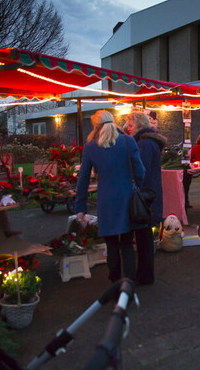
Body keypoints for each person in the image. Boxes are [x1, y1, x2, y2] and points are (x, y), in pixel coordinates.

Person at [75, 110, 145, 282]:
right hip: (127, 198)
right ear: (113, 122)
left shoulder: (91, 147)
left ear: (95, 126)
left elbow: (83, 179)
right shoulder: (128, 141)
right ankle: (129, 282)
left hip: (106, 200)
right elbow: (140, 171)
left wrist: (80, 207)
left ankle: (114, 280)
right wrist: (137, 187)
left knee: (112, 244)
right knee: (127, 243)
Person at [126, 112, 166, 285]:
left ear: (140, 126)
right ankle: (145, 274)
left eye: (130, 125)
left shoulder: (143, 144)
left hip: (145, 196)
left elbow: (142, 171)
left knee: (144, 238)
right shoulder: (148, 142)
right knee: (145, 237)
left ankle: (144, 275)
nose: (128, 128)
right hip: (150, 195)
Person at [183, 133, 200, 209]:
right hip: (189, 169)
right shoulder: (197, 147)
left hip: (192, 168)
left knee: (187, 186)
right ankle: (185, 203)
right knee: (185, 186)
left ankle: (186, 203)